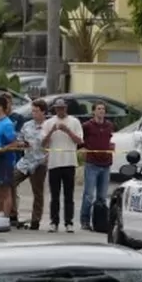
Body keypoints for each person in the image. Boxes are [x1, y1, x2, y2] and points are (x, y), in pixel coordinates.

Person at [42, 98, 83, 233]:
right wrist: (51, 132)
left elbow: (79, 140)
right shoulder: (49, 123)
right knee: (54, 195)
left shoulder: (74, 122)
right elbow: (43, 143)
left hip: (69, 162)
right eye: (58, 108)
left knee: (68, 195)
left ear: (66, 108)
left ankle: (69, 222)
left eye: (63, 108)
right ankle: (54, 222)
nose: (61, 110)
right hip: (54, 163)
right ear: (55, 109)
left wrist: (67, 131)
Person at [14, 99, 49, 230]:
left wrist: (47, 158)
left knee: (38, 193)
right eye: (32, 111)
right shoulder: (27, 125)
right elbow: (19, 139)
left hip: (40, 162)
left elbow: (52, 145)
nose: (33, 113)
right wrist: (22, 143)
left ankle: (35, 221)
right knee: (10, 182)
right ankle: (13, 215)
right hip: (26, 161)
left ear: (43, 112)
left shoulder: (48, 126)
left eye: (36, 111)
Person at [80, 101, 115, 231]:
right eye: (99, 109)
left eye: (103, 109)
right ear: (94, 111)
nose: (101, 111)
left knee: (102, 196)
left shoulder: (109, 125)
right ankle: (85, 220)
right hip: (92, 163)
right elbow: (80, 140)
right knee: (89, 195)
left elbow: (110, 139)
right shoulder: (87, 126)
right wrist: (83, 149)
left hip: (106, 163)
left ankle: (99, 222)